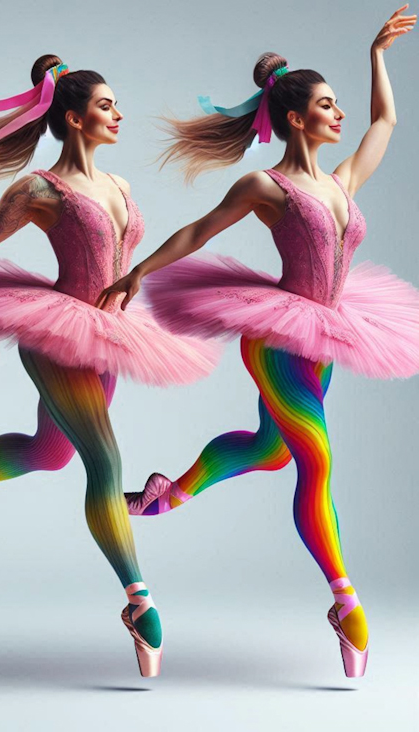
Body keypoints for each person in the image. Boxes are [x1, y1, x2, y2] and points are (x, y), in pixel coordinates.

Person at [0, 54, 222, 676]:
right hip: (56, 335)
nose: (118, 114)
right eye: (106, 105)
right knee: (106, 461)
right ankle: (138, 599)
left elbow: (124, 259)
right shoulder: (38, 189)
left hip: (108, 336)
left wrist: (138, 276)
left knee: (49, 451)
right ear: (73, 117)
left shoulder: (121, 188)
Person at [99, 7, 418, 678]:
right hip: (276, 338)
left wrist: (375, 54)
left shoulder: (342, 182)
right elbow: (197, 233)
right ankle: (345, 602)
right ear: (295, 117)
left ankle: (173, 489)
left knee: (273, 450)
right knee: (316, 460)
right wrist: (136, 272)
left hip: (328, 337)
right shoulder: (265, 187)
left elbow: (385, 122)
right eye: (327, 106)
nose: (340, 116)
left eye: (339, 105)